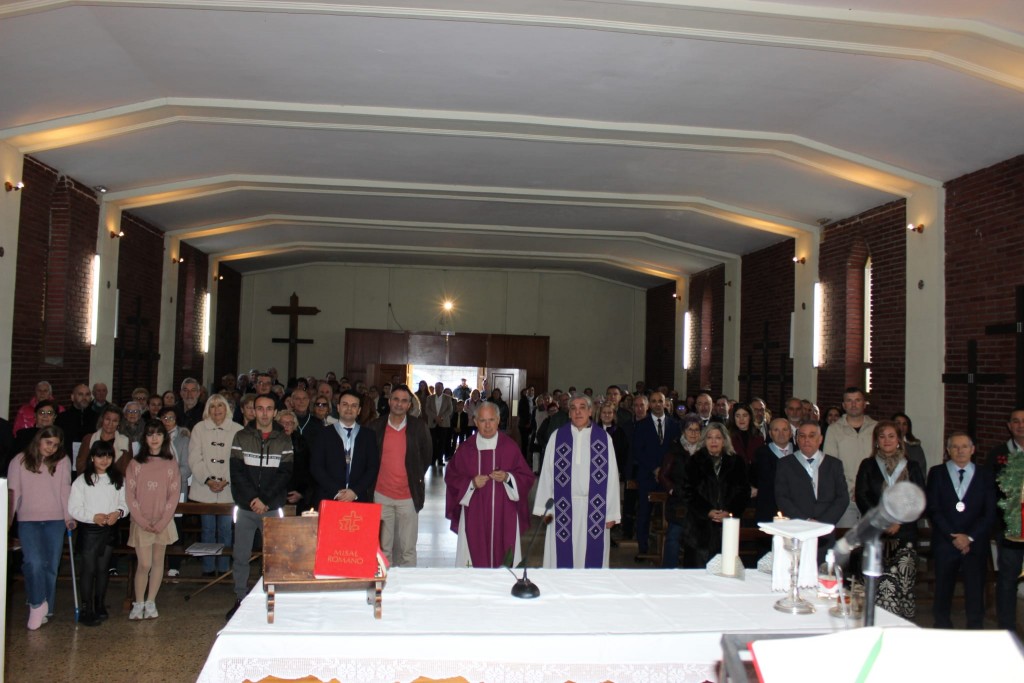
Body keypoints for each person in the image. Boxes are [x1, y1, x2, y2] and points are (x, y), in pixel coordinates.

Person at [534, 394, 621, 568]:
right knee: (560, 557)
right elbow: (546, 474)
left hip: (595, 508)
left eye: (582, 408)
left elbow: (612, 478)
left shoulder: (604, 439)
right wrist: (545, 509)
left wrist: (611, 513)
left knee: (592, 557)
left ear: (590, 411)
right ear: (569, 413)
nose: (578, 412)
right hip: (561, 507)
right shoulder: (557, 437)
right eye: (573, 408)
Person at [227, 394, 294, 620]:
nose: (264, 413)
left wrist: (264, 499)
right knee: (241, 555)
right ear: (253, 411)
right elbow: (237, 472)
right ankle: (240, 598)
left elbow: (284, 474)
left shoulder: (284, 439)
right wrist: (252, 499)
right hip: (246, 508)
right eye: (260, 408)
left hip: (271, 507)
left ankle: (273, 599)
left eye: (269, 409)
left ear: (275, 412)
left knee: (275, 557)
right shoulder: (241, 437)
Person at [444, 402, 535, 567]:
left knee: (504, 557)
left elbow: (526, 478)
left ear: (498, 420)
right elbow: (451, 477)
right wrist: (471, 483)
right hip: (474, 514)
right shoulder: (466, 449)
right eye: (483, 420)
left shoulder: (510, 447)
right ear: (475, 421)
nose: (487, 425)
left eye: (491, 420)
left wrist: (508, 478)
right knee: (473, 560)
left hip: (504, 514)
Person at [854, 420, 926, 619]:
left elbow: (919, 498)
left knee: (902, 584)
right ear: (876, 441)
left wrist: (898, 521)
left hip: (905, 533)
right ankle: (876, 624)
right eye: (882, 436)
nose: (887, 440)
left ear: (899, 440)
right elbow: (862, 496)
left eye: (891, 436)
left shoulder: (912, 466)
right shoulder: (868, 465)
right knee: (877, 584)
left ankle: (902, 625)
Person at [7, 425, 74, 630]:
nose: (51, 448)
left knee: (50, 566)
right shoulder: (19, 461)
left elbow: (65, 490)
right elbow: (13, 494)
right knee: (33, 563)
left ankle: (47, 608)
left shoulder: (62, 460)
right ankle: (37, 604)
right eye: (48, 442)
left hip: (55, 520)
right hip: (28, 521)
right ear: (38, 440)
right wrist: (6, 522)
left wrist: (69, 517)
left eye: (56, 445)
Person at [928, 432, 997, 629]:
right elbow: (933, 508)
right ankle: (942, 626)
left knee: (975, 589)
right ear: (948, 450)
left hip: (975, 543)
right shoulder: (937, 473)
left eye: (964, 446)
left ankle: (974, 628)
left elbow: (989, 512)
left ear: (972, 450)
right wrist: (954, 536)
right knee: (943, 589)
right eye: (955, 447)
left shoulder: (985, 475)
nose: (960, 451)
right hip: (945, 541)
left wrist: (969, 537)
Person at [369, 384, 431, 567]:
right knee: (383, 548)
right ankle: (384, 582)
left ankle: (407, 584)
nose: (399, 404)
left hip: (408, 496)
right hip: (381, 495)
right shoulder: (375, 426)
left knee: (407, 549)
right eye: (395, 399)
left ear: (409, 405)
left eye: (404, 401)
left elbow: (426, 456)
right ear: (389, 401)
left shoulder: (418, 427)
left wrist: (414, 476)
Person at [68, 440, 128, 626]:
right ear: (92, 457)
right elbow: (74, 508)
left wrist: (118, 513)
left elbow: (125, 503)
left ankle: (99, 604)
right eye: (100, 456)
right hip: (90, 530)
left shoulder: (118, 479)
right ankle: (86, 608)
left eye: (108, 456)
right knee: (88, 570)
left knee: (103, 569)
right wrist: (92, 517)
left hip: (109, 529)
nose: (104, 460)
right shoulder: (82, 481)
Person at [125, 419, 180, 620]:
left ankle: (151, 601)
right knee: (144, 564)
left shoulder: (170, 464)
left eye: (158, 434)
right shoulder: (135, 464)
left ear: (164, 437)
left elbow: (174, 495)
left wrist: (163, 521)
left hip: (162, 521)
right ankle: (138, 602)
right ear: (144, 438)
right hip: (142, 521)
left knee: (158, 562)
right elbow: (130, 495)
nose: (154, 438)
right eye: (150, 434)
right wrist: (141, 520)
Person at [775, 420, 849, 560]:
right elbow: (782, 497)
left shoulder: (834, 464)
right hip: (797, 528)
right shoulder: (785, 464)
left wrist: (822, 522)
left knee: (823, 568)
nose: (806, 440)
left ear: (820, 439)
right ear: (797, 439)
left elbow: (842, 498)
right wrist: (805, 521)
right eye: (802, 436)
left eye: (811, 436)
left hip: (825, 530)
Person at [681, 423, 750, 568]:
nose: (714, 441)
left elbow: (743, 492)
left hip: (728, 525)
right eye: (709, 437)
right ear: (704, 441)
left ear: (724, 441)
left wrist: (729, 512)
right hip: (699, 527)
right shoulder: (694, 461)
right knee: (697, 572)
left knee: (725, 570)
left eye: (718, 438)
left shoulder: (736, 462)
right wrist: (707, 511)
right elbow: (688, 491)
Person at [188, 393, 242, 576]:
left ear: (227, 408)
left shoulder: (237, 429)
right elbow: (194, 457)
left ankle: (224, 568)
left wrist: (225, 479)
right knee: (207, 529)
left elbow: (238, 459)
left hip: (228, 488)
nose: (216, 409)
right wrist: (208, 479)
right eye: (212, 406)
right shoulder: (199, 428)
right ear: (207, 410)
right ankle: (208, 568)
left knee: (226, 529)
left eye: (220, 405)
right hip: (205, 488)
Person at [630, 391, 680, 560]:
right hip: (647, 475)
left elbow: (676, 450)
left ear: (665, 403)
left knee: (671, 514)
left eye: (660, 401)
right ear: (649, 404)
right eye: (654, 401)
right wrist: (654, 469)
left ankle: (669, 549)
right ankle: (643, 548)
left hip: (669, 477)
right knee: (644, 513)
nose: (657, 404)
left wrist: (665, 470)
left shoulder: (675, 425)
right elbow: (638, 451)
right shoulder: (641, 425)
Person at [310, 390, 380, 511]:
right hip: (329, 496)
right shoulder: (323, 434)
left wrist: (355, 491)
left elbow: (372, 468)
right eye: (345, 404)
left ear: (359, 410)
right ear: (338, 407)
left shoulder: (369, 436)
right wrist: (337, 492)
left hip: (358, 498)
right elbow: (316, 467)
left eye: (354, 405)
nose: (349, 408)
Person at [988, 407, 1024, 632]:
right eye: (1016, 421)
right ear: (1009, 426)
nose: (1021, 425)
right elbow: (989, 491)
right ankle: (1007, 628)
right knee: (1008, 580)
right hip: (1009, 529)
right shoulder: (999, 454)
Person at [823, 387, 877, 527]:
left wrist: (863, 490)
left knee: (871, 539)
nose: (853, 404)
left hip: (872, 497)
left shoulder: (876, 428)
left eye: (857, 400)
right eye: (849, 400)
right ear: (843, 405)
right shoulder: (834, 430)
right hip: (845, 498)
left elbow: (880, 462)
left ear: (864, 403)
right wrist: (850, 490)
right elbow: (830, 466)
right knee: (846, 538)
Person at [751, 418, 793, 523]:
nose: (781, 434)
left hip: (795, 508)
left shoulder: (799, 452)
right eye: (776, 430)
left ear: (791, 433)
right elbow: (763, 478)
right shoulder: (761, 453)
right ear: (770, 433)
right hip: (768, 506)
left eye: (785, 430)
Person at [78, 405, 131, 476]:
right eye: (107, 419)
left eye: (115, 421)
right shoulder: (88, 439)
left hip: (116, 481)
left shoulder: (125, 442)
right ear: (102, 419)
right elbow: (81, 466)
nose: (110, 424)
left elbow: (127, 470)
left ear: (119, 423)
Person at [55, 383, 98, 459]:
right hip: (67, 458)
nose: (84, 398)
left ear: (91, 398)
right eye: (80, 394)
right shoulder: (62, 418)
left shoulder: (97, 417)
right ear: (72, 397)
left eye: (87, 394)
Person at [423, 381, 454, 468]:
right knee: (433, 442)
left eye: (439, 387)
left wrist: (441, 417)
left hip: (444, 423)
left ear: (442, 388)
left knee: (442, 442)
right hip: (432, 423)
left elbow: (450, 409)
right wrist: (435, 417)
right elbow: (427, 409)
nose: (438, 389)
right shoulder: (430, 398)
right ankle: (433, 459)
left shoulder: (448, 398)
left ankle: (440, 460)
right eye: (436, 387)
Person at [728, 402, 764, 467]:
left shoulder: (758, 436)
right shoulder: (728, 436)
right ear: (733, 418)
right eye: (737, 416)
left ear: (750, 417)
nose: (741, 419)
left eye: (744, 415)